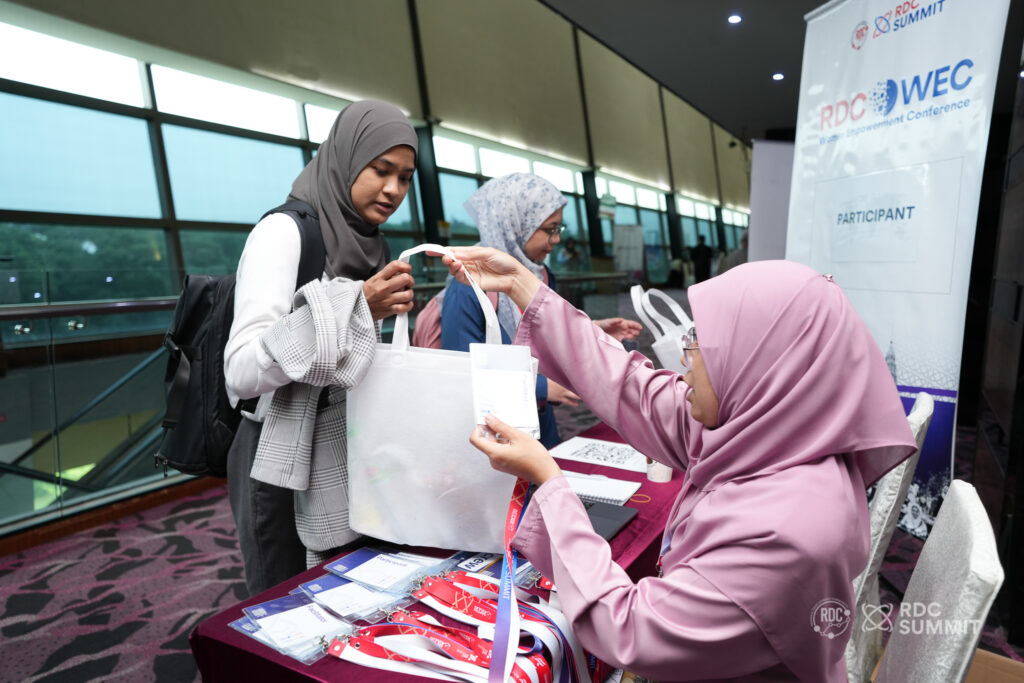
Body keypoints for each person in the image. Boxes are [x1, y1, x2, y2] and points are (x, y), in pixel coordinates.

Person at [442, 249, 916, 681]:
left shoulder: (791, 535)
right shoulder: (769, 429)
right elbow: (632, 387)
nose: (684, 367)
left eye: (701, 345)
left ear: (762, 366)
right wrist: (521, 284)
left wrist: (550, 482)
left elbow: (629, 628)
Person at [223, 100, 418, 596]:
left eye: (405, 177)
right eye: (380, 170)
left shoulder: (371, 244)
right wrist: (356, 307)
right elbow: (241, 371)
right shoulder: (285, 233)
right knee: (285, 600)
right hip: (278, 449)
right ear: (346, 159)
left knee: (347, 594)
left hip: (350, 441)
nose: (393, 190)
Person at [439, 173, 641, 448]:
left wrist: (592, 329)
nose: (556, 239)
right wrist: (543, 387)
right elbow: (462, 370)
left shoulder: (541, 275)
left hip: (538, 419)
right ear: (517, 224)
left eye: (559, 228)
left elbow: (541, 334)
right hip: (492, 430)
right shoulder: (467, 286)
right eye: (549, 229)